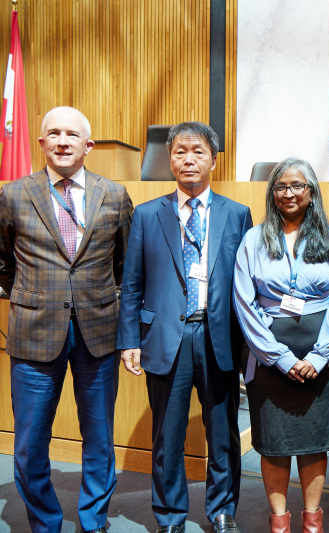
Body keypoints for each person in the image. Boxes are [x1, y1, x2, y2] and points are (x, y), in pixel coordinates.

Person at [0, 106, 133, 533]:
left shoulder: (115, 194)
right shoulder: (14, 194)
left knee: (100, 440)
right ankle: (46, 522)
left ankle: (93, 520)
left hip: (99, 333)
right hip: (34, 334)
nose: (63, 141)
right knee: (31, 444)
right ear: (42, 142)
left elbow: (124, 264)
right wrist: (32, 297)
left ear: (89, 145)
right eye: (54, 133)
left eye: (72, 134)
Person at [117, 122, 252, 533]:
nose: (188, 159)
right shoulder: (145, 215)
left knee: (224, 435)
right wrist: (129, 340)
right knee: (167, 437)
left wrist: (249, 347)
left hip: (219, 339)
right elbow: (132, 283)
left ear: (214, 159)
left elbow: (248, 284)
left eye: (197, 151)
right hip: (164, 339)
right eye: (179, 151)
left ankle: (222, 510)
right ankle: (170, 515)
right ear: (169, 159)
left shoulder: (237, 214)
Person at [232, 157, 329, 533]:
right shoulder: (254, 238)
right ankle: (279, 523)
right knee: (273, 442)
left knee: (314, 441)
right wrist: (280, 358)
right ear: (272, 193)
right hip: (267, 352)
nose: (288, 193)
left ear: (312, 192)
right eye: (281, 186)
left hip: (323, 354)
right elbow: (244, 302)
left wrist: (319, 355)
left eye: (297, 185)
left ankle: (312, 522)